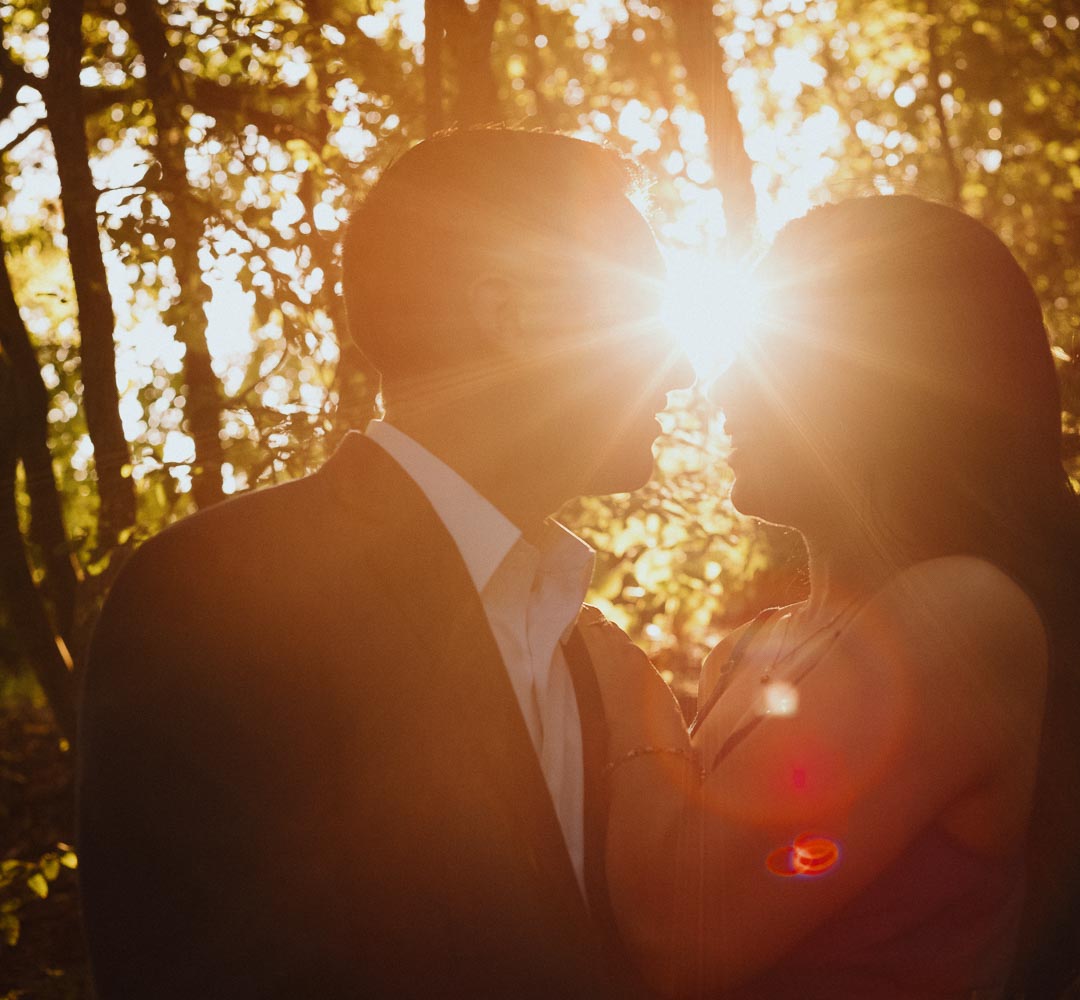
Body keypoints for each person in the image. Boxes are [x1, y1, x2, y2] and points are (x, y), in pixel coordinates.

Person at [76, 126, 690, 998]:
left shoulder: (576, 650)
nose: (685, 371)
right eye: (647, 317)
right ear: (510, 316)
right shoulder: (218, 599)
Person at [583, 195, 1080, 998]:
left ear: (881, 379)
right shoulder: (747, 653)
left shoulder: (969, 618)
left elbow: (677, 936)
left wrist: (614, 677)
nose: (723, 386)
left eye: (765, 350)